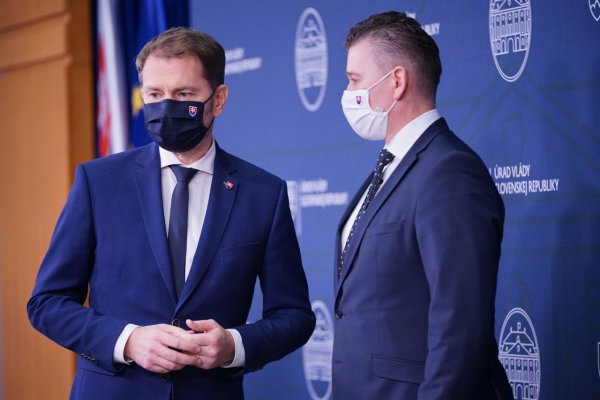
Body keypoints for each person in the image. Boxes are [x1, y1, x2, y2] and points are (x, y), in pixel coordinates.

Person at [27, 27, 315, 399]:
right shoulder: (99, 182)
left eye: (183, 94)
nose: (166, 107)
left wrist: (234, 346)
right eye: (154, 94)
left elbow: (294, 316)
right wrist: (127, 340)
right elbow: (47, 303)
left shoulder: (264, 194)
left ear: (218, 99)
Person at [333, 11, 513, 399]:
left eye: (354, 80)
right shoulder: (392, 167)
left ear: (396, 81)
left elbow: (461, 326)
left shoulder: (450, 171)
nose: (348, 93)